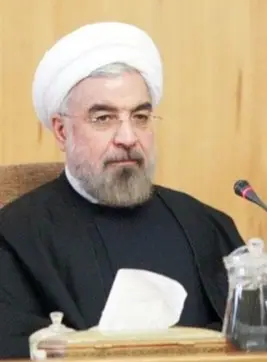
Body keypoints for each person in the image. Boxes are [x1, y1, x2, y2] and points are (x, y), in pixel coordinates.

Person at [0, 22, 245, 358]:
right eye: (104, 118)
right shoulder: (14, 236)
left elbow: (255, 339)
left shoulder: (205, 225)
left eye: (140, 117)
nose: (128, 138)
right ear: (61, 131)